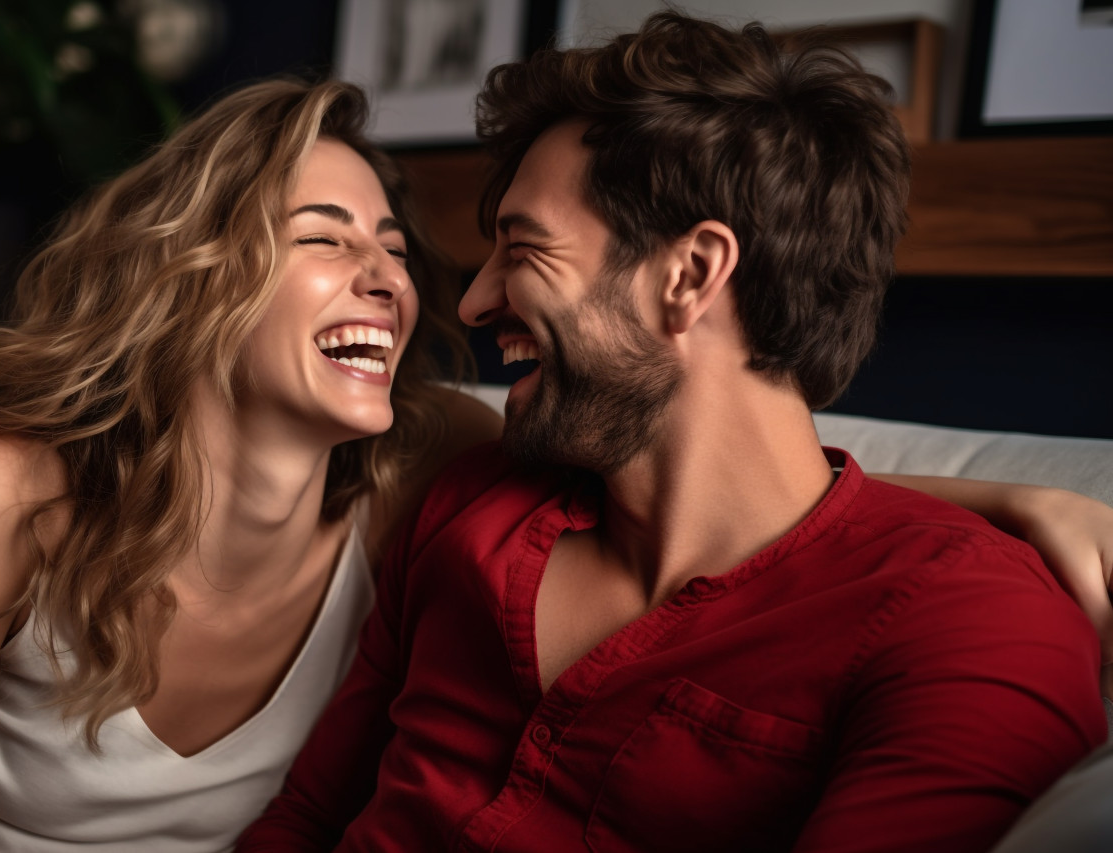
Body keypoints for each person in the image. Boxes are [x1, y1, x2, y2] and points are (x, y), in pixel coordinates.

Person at [237, 13, 1109, 852]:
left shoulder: (972, 626)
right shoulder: (471, 504)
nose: (472, 303)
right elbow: (308, 819)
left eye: (525, 250)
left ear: (689, 275)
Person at [0, 78, 502, 851]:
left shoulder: (431, 468)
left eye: (394, 249)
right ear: (190, 273)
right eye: (325, 237)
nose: (389, 278)